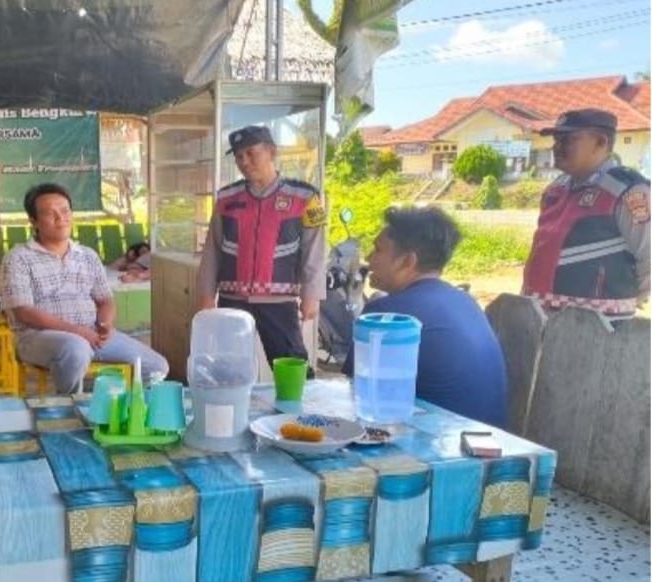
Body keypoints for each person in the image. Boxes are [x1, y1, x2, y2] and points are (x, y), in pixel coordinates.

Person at [342, 207, 508, 427]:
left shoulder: (387, 316)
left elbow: (353, 390)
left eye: (378, 249)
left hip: (432, 442)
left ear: (407, 261)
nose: (368, 259)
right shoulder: (465, 302)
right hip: (490, 437)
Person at [1, 183, 169, 394]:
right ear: (33, 221)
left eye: (65, 211)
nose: (60, 218)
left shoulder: (87, 256)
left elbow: (105, 300)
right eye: (50, 214)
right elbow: (24, 312)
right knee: (75, 347)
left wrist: (105, 324)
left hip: (92, 333)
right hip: (37, 337)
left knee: (156, 366)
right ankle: (69, 402)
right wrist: (78, 332)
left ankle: (97, 399)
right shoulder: (19, 258)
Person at [196, 125, 326, 376]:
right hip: (232, 301)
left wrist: (312, 294)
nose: (244, 161)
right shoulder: (226, 198)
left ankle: (298, 404)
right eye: (238, 156)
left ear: (271, 152)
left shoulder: (306, 197)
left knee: (292, 368)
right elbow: (212, 250)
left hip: (279, 302)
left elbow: (315, 249)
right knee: (228, 369)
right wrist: (206, 295)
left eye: (250, 153)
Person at [523, 108, 650, 317]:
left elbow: (648, 256)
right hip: (541, 317)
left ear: (600, 142)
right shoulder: (556, 190)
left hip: (600, 325)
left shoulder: (626, 190)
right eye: (556, 140)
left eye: (568, 140)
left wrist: (628, 301)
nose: (556, 147)